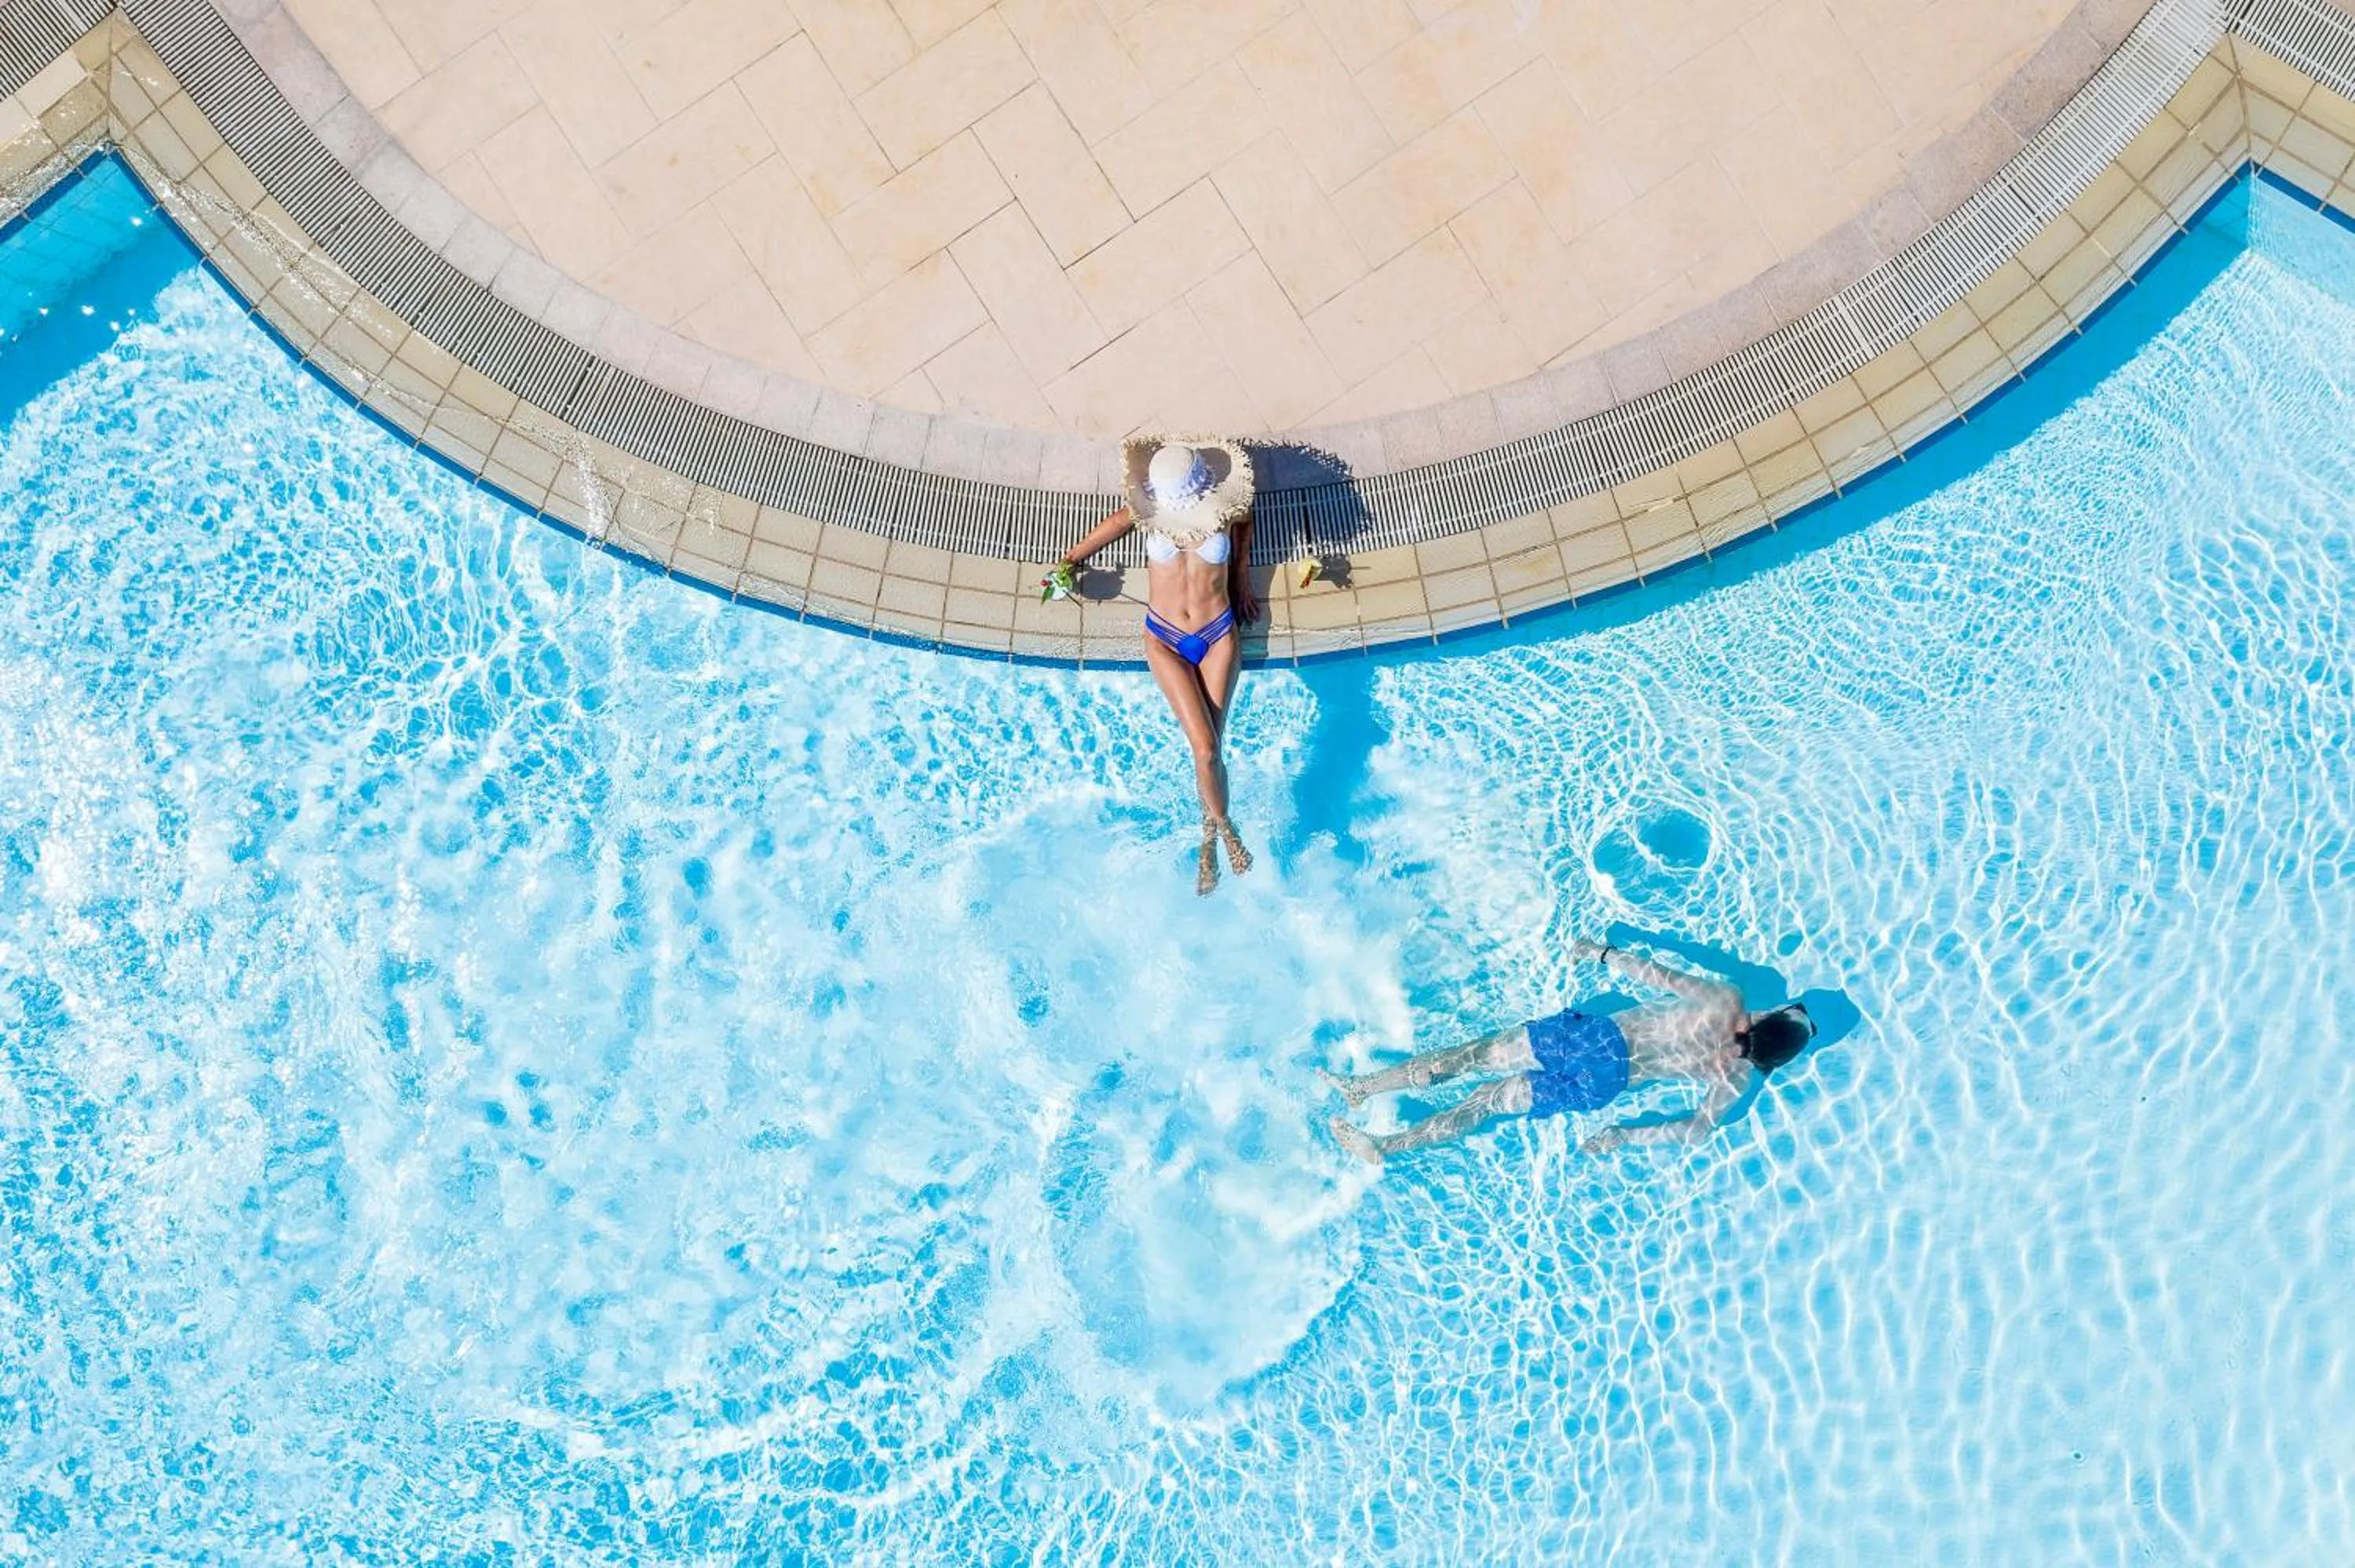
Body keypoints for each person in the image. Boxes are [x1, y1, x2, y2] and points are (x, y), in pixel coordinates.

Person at [1322, 939, 1816, 1165]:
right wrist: (1621, 1137)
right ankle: (1386, 1147)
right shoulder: (1739, 1077)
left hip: (1593, 1040)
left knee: (1472, 1058)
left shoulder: (1727, 1001)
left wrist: (1603, 954)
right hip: (1601, 1085)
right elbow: (1695, 1132)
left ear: (1775, 1014)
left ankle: (1362, 1088)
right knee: (1486, 1102)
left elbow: (1660, 976)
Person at [1052, 436, 1261, 895]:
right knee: (1206, 748)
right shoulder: (1149, 509)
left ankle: (1210, 829)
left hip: (1217, 633)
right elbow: (1112, 526)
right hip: (1165, 638)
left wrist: (1242, 579)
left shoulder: (1224, 507)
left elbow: (1246, 521)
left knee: (1210, 749)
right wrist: (1068, 563)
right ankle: (1224, 830)